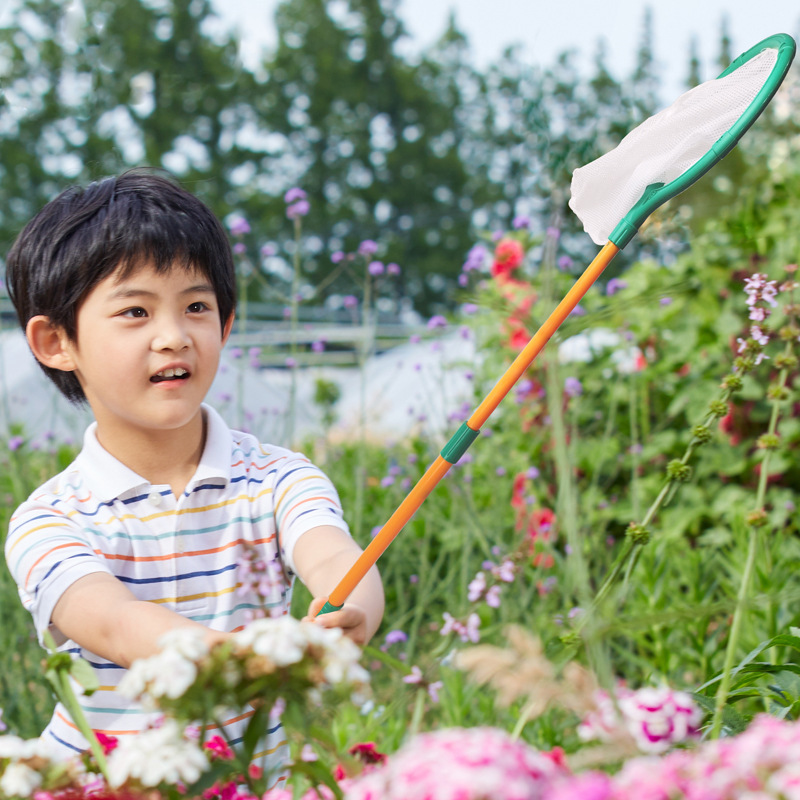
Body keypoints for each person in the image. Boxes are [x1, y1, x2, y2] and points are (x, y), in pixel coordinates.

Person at [3, 170, 384, 784]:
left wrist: (355, 608)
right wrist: (255, 662)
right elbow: (119, 625)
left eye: (197, 307)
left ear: (226, 325)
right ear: (55, 342)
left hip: (258, 785)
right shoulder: (49, 521)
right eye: (134, 311)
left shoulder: (279, 478)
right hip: (108, 791)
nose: (174, 336)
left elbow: (335, 555)